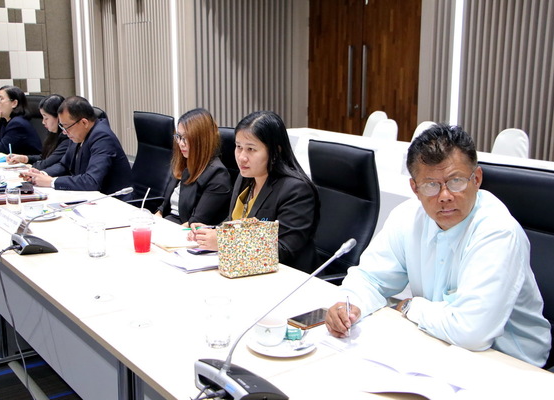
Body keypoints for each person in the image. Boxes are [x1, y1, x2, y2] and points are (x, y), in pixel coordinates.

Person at [325, 123, 551, 367]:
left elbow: (472, 331)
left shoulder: (498, 231)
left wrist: (411, 306)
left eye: (456, 181)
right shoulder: (407, 217)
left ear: (476, 179)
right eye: (431, 185)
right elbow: (370, 279)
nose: (445, 196)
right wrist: (349, 305)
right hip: (440, 343)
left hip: (510, 362)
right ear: (415, 188)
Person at [190, 110, 320, 273]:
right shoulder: (246, 177)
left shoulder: (296, 190)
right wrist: (212, 231)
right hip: (244, 270)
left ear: (275, 151)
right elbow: (236, 221)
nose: (241, 157)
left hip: (287, 277)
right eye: (238, 147)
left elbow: (284, 249)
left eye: (251, 149)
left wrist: (224, 242)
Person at [21, 96, 133, 200]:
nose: (64, 132)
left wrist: (51, 181)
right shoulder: (78, 133)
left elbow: (91, 181)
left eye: (66, 127)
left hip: (115, 201)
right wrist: (42, 175)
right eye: (62, 127)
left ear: (84, 122)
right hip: (92, 198)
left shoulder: (102, 137)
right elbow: (64, 165)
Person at [155, 108, 231, 226]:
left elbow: (195, 223)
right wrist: (154, 220)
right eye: (179, 136)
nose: (180, 143)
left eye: (185, 138)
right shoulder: (184, 162)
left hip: (186, 231)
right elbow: (163, 208)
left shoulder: (218, 176)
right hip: (169, 224)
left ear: (202, 140)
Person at [6, 94, 70, 170]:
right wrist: (25, 158)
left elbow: (48, 163)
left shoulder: (67, 137)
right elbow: (44, 157)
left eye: (46, 118)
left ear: (59, 117)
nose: (43, 122)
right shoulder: (53, 133)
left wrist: (28, 167)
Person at [0, 86, 42, 155]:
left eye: (1, 99)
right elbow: (1, 144)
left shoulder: (17, 124)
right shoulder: (5, 121)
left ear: (14, 103)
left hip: (30, 161)